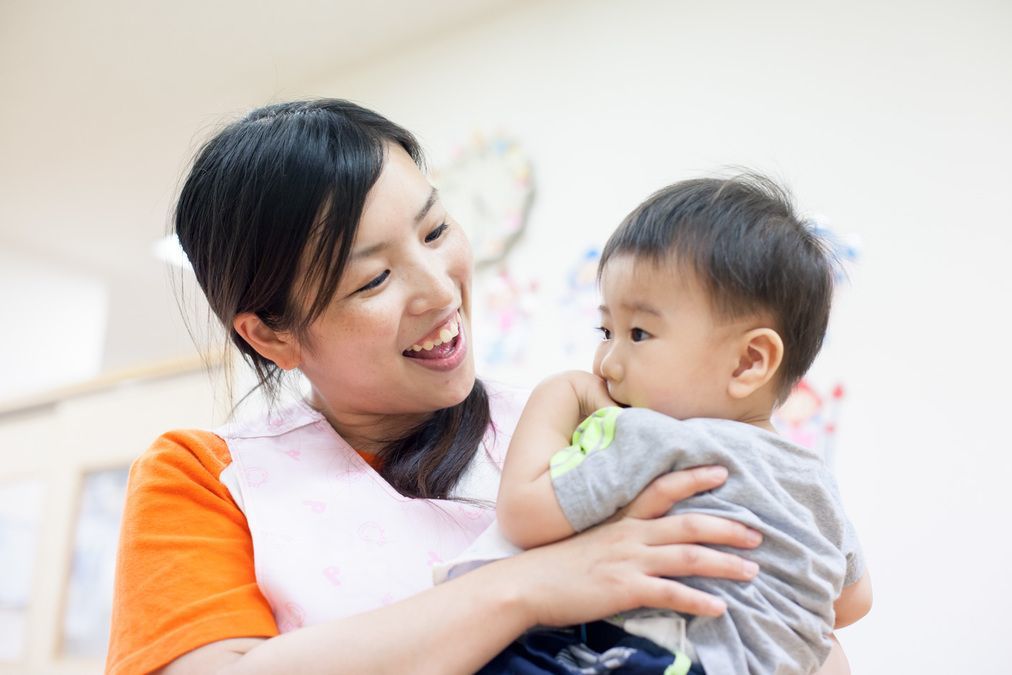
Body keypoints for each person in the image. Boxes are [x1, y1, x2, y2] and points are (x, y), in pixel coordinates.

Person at [105, 99, 853, 675]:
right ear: (270, 333)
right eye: (372, 278)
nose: (440, 289)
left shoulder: (587, 423)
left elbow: (788, 621)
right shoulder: (207, 478)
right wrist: (528, 585)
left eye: (434, 231)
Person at [456, 176, 872, 674]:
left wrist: (559, 394)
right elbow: (852, 603)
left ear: (748, 362)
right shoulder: (814, 483)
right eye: (605, 330)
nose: (607, 362)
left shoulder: (659, 441)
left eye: (638, 333)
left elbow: (524, 514)